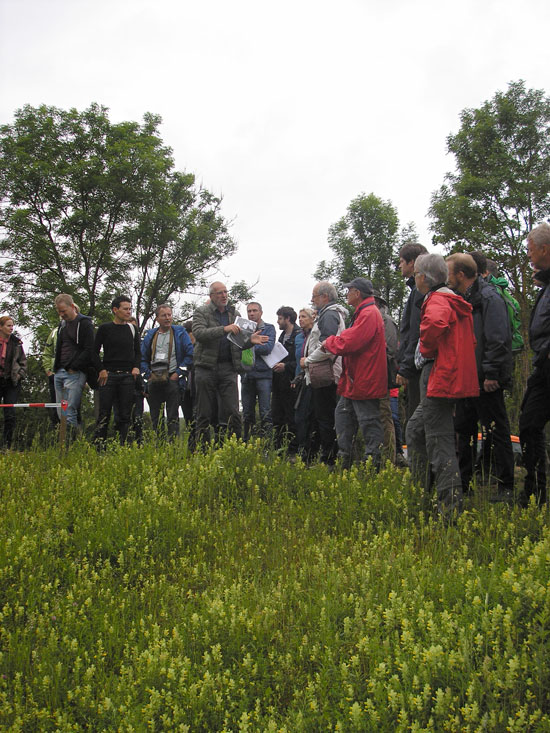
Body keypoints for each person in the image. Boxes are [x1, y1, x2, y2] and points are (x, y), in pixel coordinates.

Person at [406, 254, 479, 519]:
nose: (414, 279)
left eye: (415, 275)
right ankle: (420, 494)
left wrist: (425, 349)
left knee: (440, 443)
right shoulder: (450, 298)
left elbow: (435, 325)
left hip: (438, 376)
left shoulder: (438, 300)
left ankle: (450, 510)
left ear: (424, 277)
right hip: (444, 375)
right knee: (414, 431)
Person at [447, 253, 515, 500]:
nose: (447, 277)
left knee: (496, 430)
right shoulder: (464, 298)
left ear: (461, 274)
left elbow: (498, 338)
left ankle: (505, 485)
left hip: (485, 378)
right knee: (463, 430)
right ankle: (464, 485)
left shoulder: (489, 298)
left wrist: (491, 373)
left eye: (449, 272)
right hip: (467, 379)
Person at [322, 278, 387, 470]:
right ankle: (345, 464)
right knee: (342, 418)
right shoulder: (364, 312)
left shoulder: (368, 313)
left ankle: (373, 468)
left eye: (349, 290)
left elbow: (349, 342)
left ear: (357, 293)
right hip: (355, 380)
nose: (346, 293)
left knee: (369, 423)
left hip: (364, 380)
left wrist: (329, 342)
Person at [192, 282, 268, 444]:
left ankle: (235, 449)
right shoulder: (202, 312)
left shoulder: (234, 313)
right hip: (206, 367)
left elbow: (239, 342)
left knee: (233, 411)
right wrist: (224, 329)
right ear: (211, 296)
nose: (224, 295)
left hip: (228, 368)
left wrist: (251, 341)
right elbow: (199, 333)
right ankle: (203, 451)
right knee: (204, 413)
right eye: (220, 293)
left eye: (226, 292)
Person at [519, 222, 550, 507]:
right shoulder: (545, 282)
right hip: (542, 366)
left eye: (530, 249)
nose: (528, 255)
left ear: (544, 248)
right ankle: (535, 490)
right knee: (529, 424)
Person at [301, 281, 348, 465]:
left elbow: (328, 345)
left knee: (325, 418)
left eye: (314, 296)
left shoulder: (329, 315)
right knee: (319, 417)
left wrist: (308, 361)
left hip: (325, 376)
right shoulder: (330, 314)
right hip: (325, 375)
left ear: (325, 297)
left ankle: (329, 459)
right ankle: (321, 456)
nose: (312, 300)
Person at [93, 296, 142, 447]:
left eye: (130, 309)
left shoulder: (132, 329)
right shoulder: (104, 328)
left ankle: (123, 446)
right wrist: (101, 370)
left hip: (127, 376)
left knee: (125, 414)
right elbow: (93, 352)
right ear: (115, 310)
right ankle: (99, 446)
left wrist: (136, 367)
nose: (128, 312)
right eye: (125, 309)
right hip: (109, 376)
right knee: (104, 413)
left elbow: (138, 352)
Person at [142, 304, 194, 440]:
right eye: (164, 315)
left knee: (173, 416)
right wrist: (148, 375)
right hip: (154, 380)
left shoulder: (180, 332)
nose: (167, 318)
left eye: (169, 315)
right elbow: (142, 358)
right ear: (157, 318)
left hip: (172, 379)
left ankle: (173, 449)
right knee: (156, 418)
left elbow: (190, 355)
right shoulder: (150, 335)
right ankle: (159, 448)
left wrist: (178, 374)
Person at [53, 294, 99, 434]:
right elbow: (59, 347)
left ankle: (70, 443)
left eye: (63, 311)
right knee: (61, 410)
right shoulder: (62, 325)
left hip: (75, 372)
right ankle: (65, 440)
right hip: (60, 370)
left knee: (70, 409)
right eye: (59, 312)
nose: (61, 315)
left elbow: (89, 349)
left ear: (72, 307)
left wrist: (75, 366)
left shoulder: (85, 323)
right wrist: (55, 368)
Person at [396, 243, 428, 422]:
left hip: (417, 367)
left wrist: (406, 367)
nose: (400, 266)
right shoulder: (415, 290)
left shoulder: (420, 292)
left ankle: (416, 451)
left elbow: (415, 331)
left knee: (416, 419)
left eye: (402, 261)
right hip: (416, 365)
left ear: (413, 262)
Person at [240, 302, 276, 440]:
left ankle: (267, 444)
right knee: (247, 413)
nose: (251, 313)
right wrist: (253, 342)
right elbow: (236, 347)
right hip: (246, 374)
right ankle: (247, 443)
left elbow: (267, 348)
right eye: (249, 311)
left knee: (265, 411)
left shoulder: (269, 328)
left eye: (254, 310)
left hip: (263, 375)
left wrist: (247, 345)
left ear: (261, 312)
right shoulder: (243, 329)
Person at [373, 289, 399, 465]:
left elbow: (389, 351)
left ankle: (391, 456)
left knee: (385, 416)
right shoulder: (374, 320)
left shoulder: (386, 322)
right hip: (373, 376)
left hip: (382, 375)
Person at [271, 306, 301, 453]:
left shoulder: (299, 335)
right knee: (277, 416)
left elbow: (301, 360)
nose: (278, 322)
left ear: (288, 319)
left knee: (292, 417)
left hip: (292, 382)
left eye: (280, 318)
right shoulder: (282, 336)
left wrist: (286, 366)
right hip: (278, 382)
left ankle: (293, 450)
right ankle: (279, 448)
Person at [292, 307, 318, 462]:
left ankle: (310, 453)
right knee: (299, 416)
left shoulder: (316, 334)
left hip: (314, 378)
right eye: (299, 317)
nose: (300, 319)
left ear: (312, 318)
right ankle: (303, 449)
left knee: (310, 417)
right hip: (300, 379)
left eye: (304, 316)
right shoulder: (298, 337)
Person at [0, 316, 26, 449]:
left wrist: (20, 375)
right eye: (8, 326)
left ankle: (6, 446)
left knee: (10, 414)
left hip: (11, 382)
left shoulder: (16, 343)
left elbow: (23, 362)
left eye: (12, 326)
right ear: (1, 327)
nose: (11, 328)